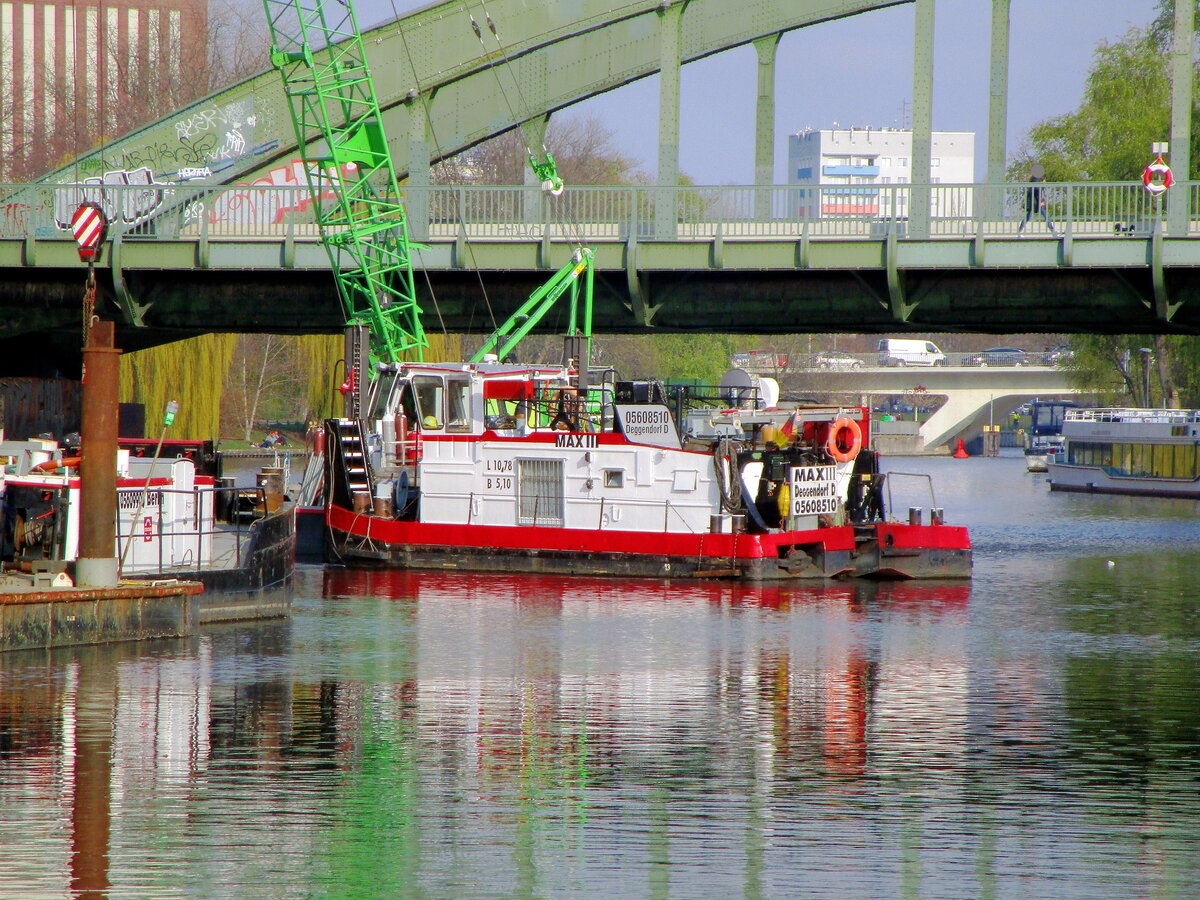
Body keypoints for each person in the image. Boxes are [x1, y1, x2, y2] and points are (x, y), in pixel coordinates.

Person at [1018, 165, 1057, 236]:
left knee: (1031, 216)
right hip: (1035, 202)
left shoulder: (1035, 179)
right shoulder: (1035, 180)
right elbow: (1037, 191)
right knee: (1044, 216)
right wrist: (1041, 202)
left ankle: (1019, 232)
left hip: (1034, 202)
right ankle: (1053, 231)